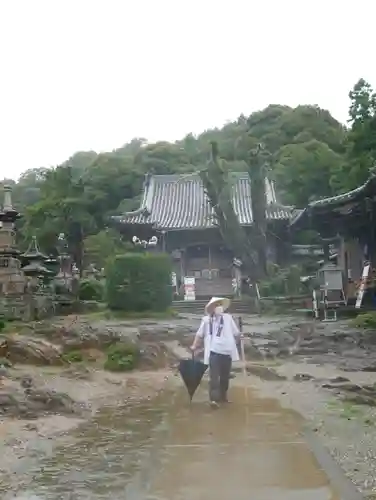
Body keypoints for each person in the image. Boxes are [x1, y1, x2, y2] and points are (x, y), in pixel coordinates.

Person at [190, 297, 241, 408]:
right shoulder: (207, 320)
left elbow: (236, 333)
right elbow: (199, 334)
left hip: (227, 352)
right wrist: (194, 345)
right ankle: (213, 400)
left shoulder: (228, 318)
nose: (218, 307)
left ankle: (223, 397)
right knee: (214, 377)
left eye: (220, 304)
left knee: (225, 377)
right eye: (216, 305)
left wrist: (239, 339)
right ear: (211, 308)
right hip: (214, 352)